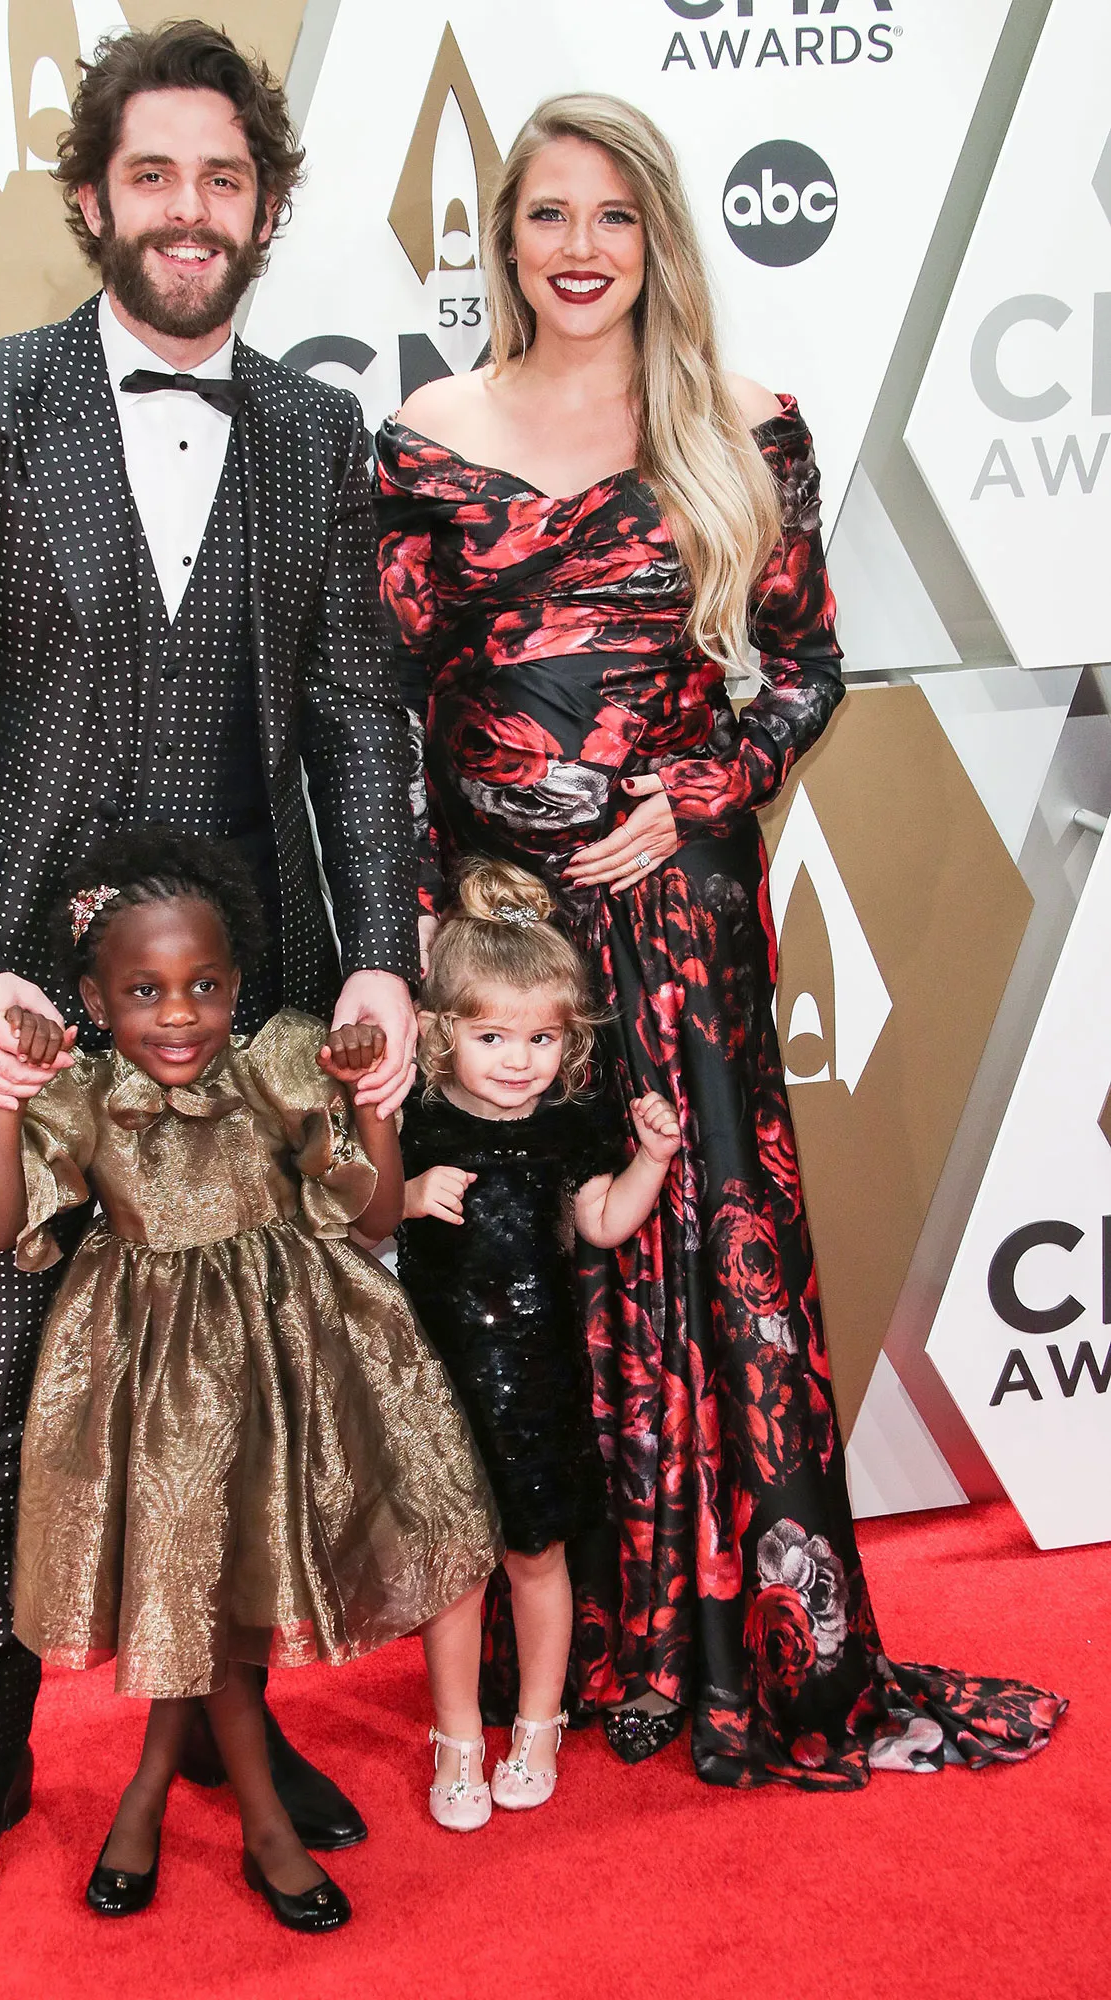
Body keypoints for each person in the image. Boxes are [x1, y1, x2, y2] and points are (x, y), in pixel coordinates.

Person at [375, 93, 1066, 1787]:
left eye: (614, 215)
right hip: (497, 948)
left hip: (679, 921)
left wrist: (694, 790)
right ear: (501, 236)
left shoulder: (741, 427)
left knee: (699, 1249)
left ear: (660, 234)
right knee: (521, 1276)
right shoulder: (422, 432)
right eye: (547, 215)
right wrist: (411, 933)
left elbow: (806, 672)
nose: (582, 248)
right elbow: (379, 702)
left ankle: (718, 1636)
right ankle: (570, 1640)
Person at [0, 21, 420, 1931]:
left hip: (246, 1021)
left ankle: (234, 1726)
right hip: (20, 996)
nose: (192, 212)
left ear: (265, 211)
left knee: (248, 1375)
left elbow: (353, 713)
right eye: (155, 176)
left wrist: (387, 971)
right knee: (2, 1381)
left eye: (226, 179)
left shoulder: (318, 434)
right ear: (92, 197)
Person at [0, 828, 500, 1932]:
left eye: (204, 984)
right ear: (96, 1003)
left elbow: (379, 1214)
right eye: (145, 990)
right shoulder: (87, 1093)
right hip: (150, 1386)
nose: (180, 1013)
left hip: (286, 1369)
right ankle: (262, 1826)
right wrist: (4, 1093)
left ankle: (148, 1794)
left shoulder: (280, 1062)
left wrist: (372, 1105)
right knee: (192, 1593)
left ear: (238, 984)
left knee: (216, 1601)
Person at [391, 857, 679, 1829]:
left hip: (540, 1385)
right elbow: (341, 1214)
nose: (519, 1058)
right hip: (440, 1387)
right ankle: (458, 1740)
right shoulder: (417, 1123)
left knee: (537, 1558)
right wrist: (404, 1197)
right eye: (492, 1035)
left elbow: (601, 1220)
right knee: (455, 1573)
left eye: (542, 1036)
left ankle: (541, 1722)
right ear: (439, 1033)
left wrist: (650, 1156)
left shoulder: (563, 1126)